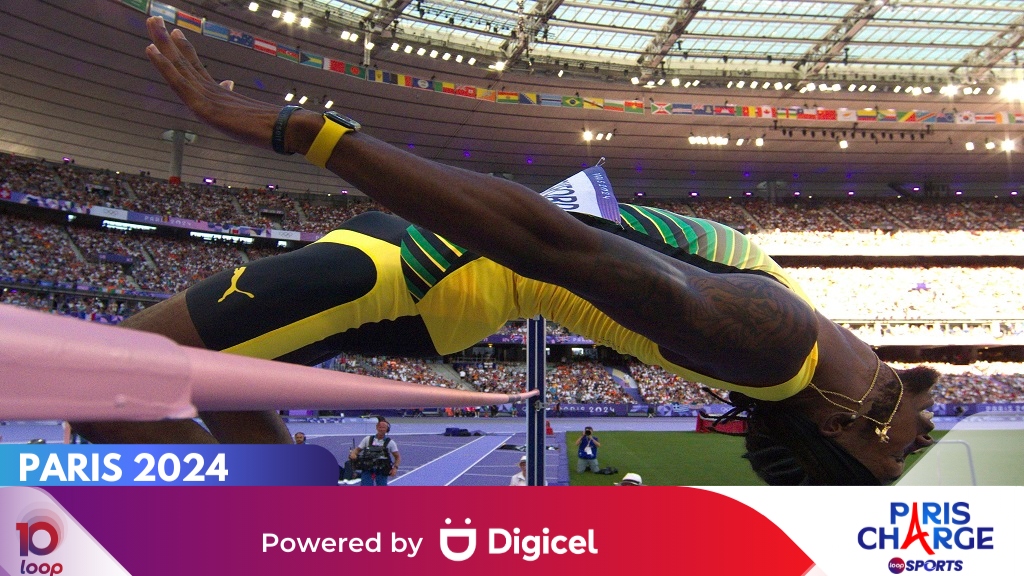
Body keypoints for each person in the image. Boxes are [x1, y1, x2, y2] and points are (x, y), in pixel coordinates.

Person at [72, 18, 938, 486]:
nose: (917, 438)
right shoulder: (803, 337)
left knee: (107, 390)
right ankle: (304, 529)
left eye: (891, 454)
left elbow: (541, 239)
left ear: (836, 425)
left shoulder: (772, 345)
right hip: (426, 261)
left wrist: (306, 132)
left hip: (414, 274)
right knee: (206, 382)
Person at [348, 419, 400, 486]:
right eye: (380, 427)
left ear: (387, 429)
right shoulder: (367, 439)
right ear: (376, 428)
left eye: (383, 427)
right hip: (367, 468)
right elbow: (357, 450)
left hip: (382, 469)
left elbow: (397, 457)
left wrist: (395, 468)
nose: (381, 429)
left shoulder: (390, 443)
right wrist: (353, 454)